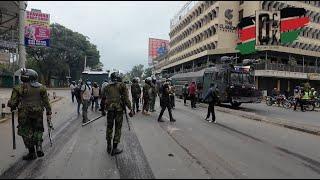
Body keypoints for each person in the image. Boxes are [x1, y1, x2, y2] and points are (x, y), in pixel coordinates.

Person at [7, 68, 52, 161]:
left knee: (26, 132)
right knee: (38, 129)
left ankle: (31, 152)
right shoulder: (42, 87)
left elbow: (13, 103)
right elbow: (46, 102)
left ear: (25, 77)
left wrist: (10, 104)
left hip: (24, 114)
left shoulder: (18, 88)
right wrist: (48, 112)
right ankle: (39, 146)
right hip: (38, 112)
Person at [101, 72, 133, 156]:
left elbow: (103, 99)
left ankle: (108, 146)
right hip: (118, 111)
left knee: (109, 127)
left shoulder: (106, 86)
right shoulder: (122, 85)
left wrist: (103, 110)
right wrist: (130, 109)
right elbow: (126, 99)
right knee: (118, 129)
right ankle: (114, 148)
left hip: (110, 110)